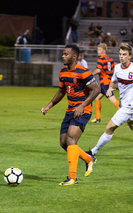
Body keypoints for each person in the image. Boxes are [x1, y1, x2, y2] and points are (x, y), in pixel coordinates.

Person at [41, 44, 100, 186]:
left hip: (83, 111)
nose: (63, 56)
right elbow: (61, 91)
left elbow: (96, 90)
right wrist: (49, 105)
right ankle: (88, 158)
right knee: (63, 143)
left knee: (71, 139)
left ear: (74, 57)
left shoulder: (83, 72)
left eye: (66, 54)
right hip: (70, 111)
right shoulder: (63, 72)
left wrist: (82, 105)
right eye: (63, 54)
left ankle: (72, 178)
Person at [91, 43, 119, 123]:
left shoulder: (100, 59)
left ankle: (125, 115)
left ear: (104, 50)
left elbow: (98, 70)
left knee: (113, 100)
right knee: (97, 98)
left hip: (105, 83)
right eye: (97, 49)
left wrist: (91, 75)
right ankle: (97, 118)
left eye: (99, 50)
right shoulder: (110, 59)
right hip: (109, 82)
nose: (98, 51)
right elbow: (116, 67)